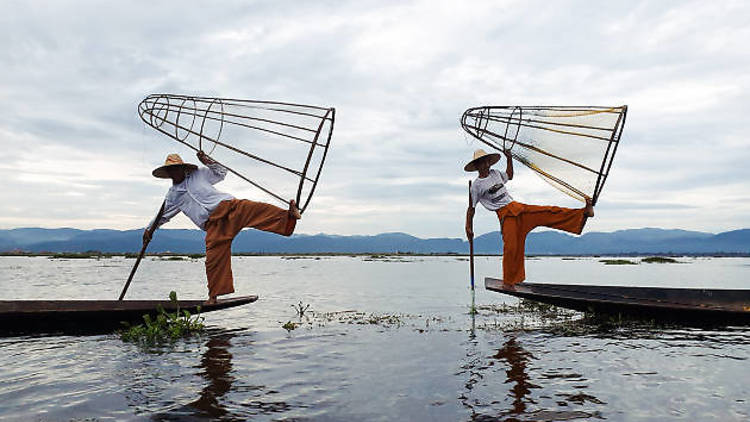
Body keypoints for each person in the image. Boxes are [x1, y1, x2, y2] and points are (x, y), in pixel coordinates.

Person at [144, 152, 301, 304]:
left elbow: (221, 172)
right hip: (213, 224)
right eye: (172, 169)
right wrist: (149, 230)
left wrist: (207, 160)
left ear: (183, 168)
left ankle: (289, 216)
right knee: (213, 258)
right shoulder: (172, 195)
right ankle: (213, 297)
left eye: (178, 168)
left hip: (228, 207)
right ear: (169, 173)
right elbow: (162, 216)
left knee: (256, 209)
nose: (176, 171)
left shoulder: (198, 174)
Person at [464, 149, 594, 287]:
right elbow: (471, 209)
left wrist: (509, 158)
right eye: (481, 162)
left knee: (548, 212)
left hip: (518, 208)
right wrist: (468, 227)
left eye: (486, 161)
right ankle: (509, 281)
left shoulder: (495, 173)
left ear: (489, 162)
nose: (485, 164)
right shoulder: (476, 186)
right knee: (511, 248)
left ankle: (583, 213)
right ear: (477, 166)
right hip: (506, 216)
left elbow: (509, 175)